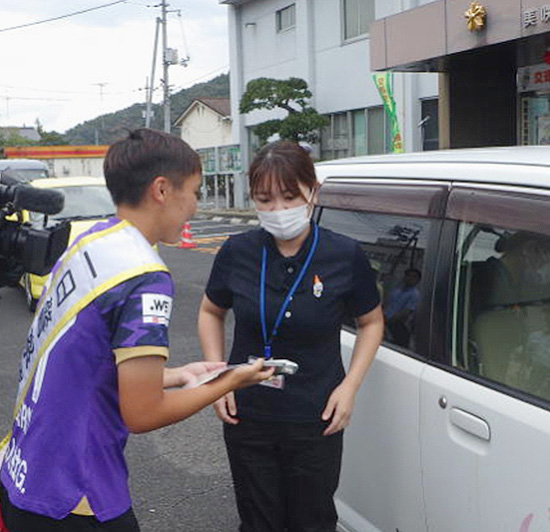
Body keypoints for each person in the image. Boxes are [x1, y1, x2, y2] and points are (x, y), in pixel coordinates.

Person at [0, 128, 273, 532]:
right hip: (74, 491)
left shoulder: (89, 242)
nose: (195, 208)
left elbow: (83, 361)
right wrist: (231, 380)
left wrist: (178, 375)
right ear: (162, 190)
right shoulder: (142, 274)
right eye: (194, 192)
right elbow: (143, 413)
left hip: (24, 468)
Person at [198, 140, 384, 532]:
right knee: (258, 520)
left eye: (288, 197)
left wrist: (349, 386)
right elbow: (210, 311)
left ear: (312, 192)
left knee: (313, 521)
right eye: (265, 199)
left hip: (317, 415)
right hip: (247, 415)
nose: (278, 210)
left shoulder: (343, 254)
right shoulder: (237, 251)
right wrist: (218, 377)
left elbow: (372, 322)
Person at [384, 268, 421, 348]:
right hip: (384, 322)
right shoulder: (396, 290)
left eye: (413, 277)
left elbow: (406, 312)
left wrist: (388, 321)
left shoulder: (414, 295)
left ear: (417, 280)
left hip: (398, 326)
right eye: (408, 275)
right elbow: (387, 303)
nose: (410, 278)